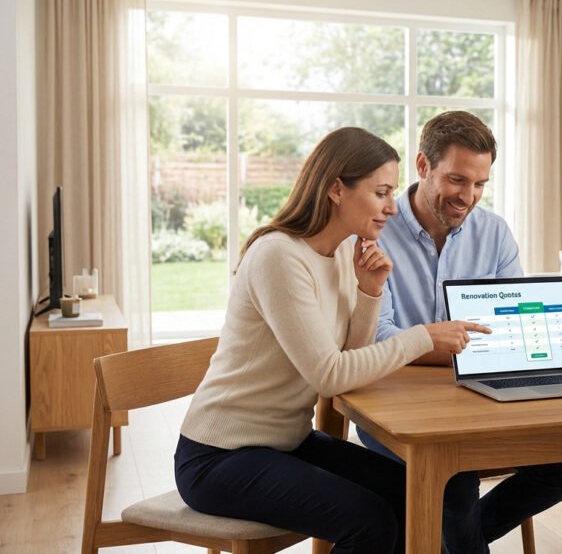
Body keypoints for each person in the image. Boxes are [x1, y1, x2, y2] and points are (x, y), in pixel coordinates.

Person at [174, 127, 488, 554]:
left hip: (287, 442)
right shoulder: (278, 255)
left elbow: (349, 361)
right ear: (337, 189)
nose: (391, 208)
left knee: (424, 489)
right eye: (381, 193)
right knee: (371, 522)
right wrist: (421, 338)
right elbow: (327, 376)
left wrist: (369, 291)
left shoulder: (345, 252)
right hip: (219, 456)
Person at [356, 111, 562, 553]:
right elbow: (375, 337)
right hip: (395, 406)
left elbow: (514, 328)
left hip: (482, 399)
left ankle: (446, 544)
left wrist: (453, 345)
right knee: (455, 481)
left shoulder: (494, 232)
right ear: (423, 166)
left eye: (480, 184)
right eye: (458, 180)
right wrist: (456, 344)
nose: (469, 196)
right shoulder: (377, 230)